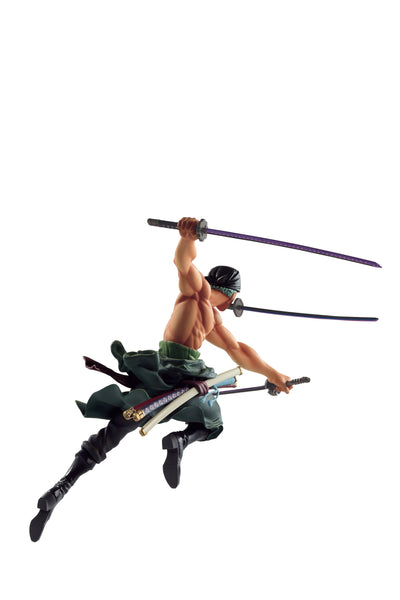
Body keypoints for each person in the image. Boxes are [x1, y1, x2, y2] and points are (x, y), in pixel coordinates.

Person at [29, 217, 291, 541]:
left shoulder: (212, 317)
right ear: (231, 293)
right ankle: (181, 441)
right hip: (184, 374)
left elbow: (238, 350)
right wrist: (188, 237)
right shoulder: (199, 291)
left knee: (122, 423)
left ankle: (61, 486)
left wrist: (273, 373)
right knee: (213, 422)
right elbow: (184, 264)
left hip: (163, 374)